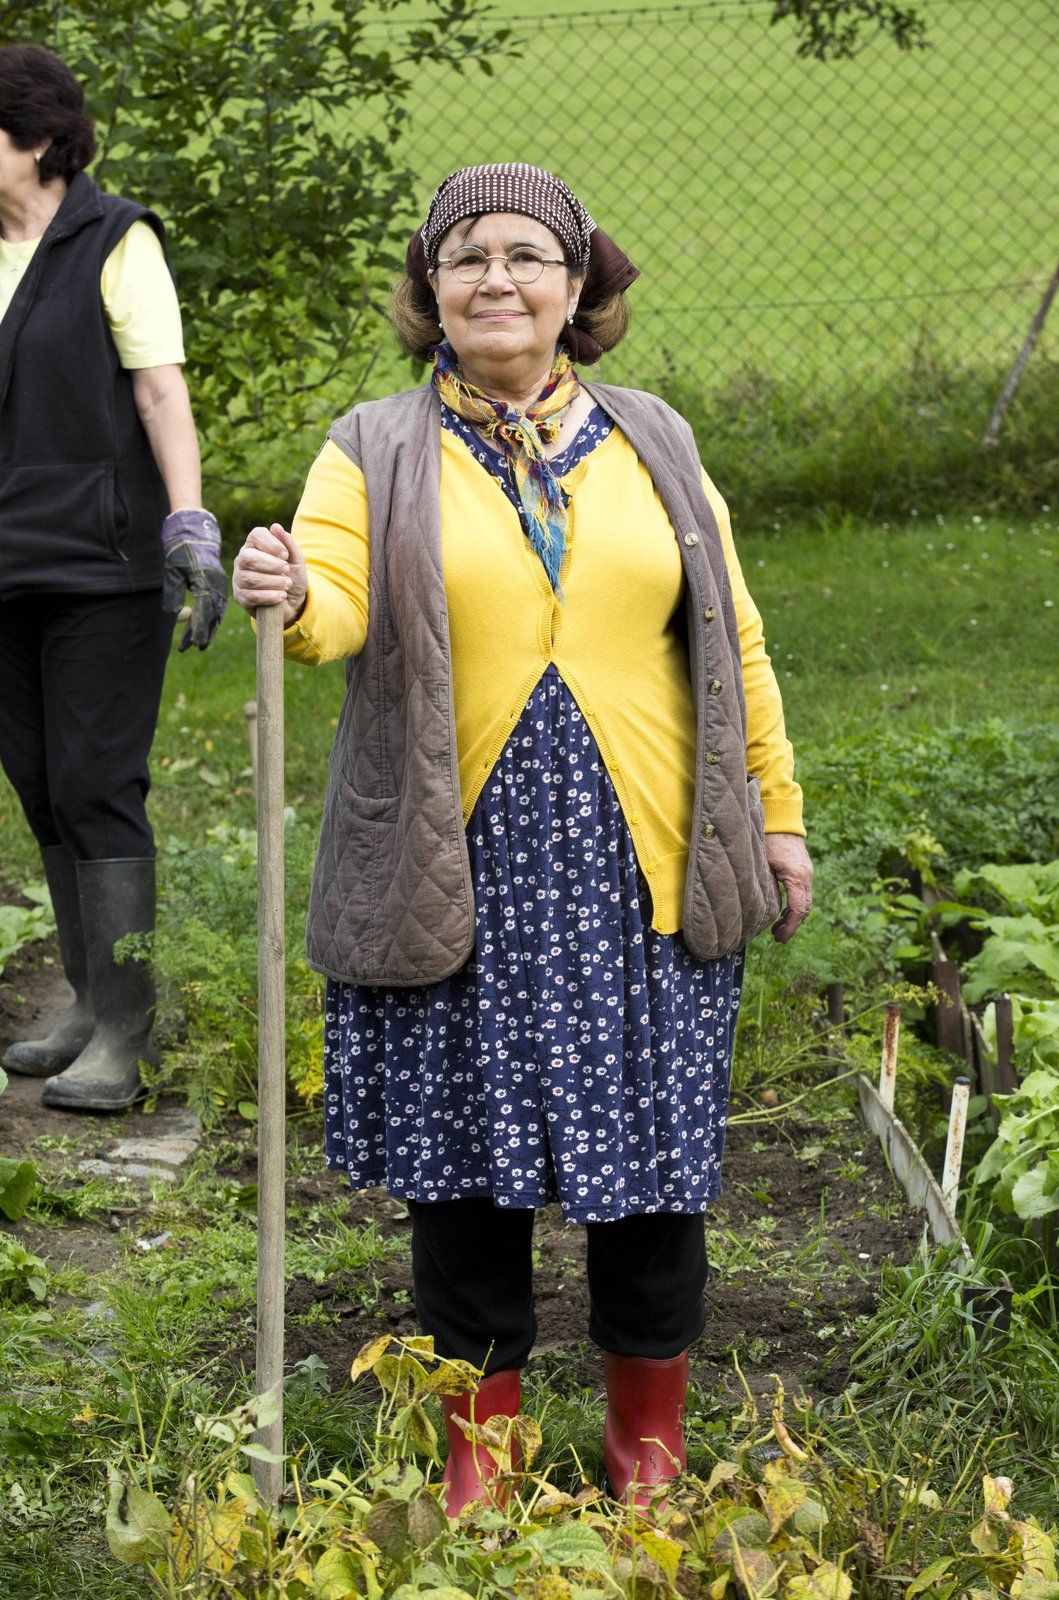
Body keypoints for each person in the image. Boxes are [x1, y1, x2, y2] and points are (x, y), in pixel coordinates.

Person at [233, 162, 813, 1510]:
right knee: (467, 1185)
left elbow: (730, 641)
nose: (495, 279)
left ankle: (644, 1467)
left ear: (575, 289)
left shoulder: (653, 437)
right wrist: (285, 590)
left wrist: (772, 818)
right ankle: (478, 1479)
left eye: (525, 256)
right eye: (465, 259)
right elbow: (330, 603)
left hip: (644, 864)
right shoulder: (372, 448)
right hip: (460, 863)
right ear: (430, 293)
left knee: (654, 1182)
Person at [0, 44, 227, 1112]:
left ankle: (128, 1026)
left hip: (101, 563)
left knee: (96, 783)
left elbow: (159, 390)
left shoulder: (113, 237)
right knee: (42, 784)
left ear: (39, 139)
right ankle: (88, 998)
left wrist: (188, 520)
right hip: (2, 565)